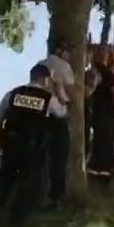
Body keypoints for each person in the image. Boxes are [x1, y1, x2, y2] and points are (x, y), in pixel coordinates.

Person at [0, 64, 56, 226]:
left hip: (11, 142)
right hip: (33, 146)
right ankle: (18, 218)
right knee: (28, 181)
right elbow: (62, 113)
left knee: (5, 177)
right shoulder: (47, 98)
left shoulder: (14, 93)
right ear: (44, 79)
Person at [37, 37, 74, 209]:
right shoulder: (65, 67)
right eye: (68, 51)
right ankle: (56, 198)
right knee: (59, 159)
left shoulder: (41, 64)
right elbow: (71, 93)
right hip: (58, 115)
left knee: (42, 158)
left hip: (41, 116)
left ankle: (39, 194)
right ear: (60, 50)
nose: (69, 54)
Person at [86, 45, 114, 184]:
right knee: (106, 143)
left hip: (94, 111)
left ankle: (94, 172)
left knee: (97, 143)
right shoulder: (105, 72)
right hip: (105, 112)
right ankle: (102, 175)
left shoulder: (92, 71)